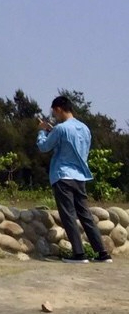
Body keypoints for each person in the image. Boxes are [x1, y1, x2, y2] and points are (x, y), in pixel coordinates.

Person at [37, 95, 111, 263]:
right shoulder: (85, 129)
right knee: (85, 215)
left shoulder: (61, 129)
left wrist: (42, 131)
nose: (54, 116)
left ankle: (79, 254)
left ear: (58, 109)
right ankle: (102, 253)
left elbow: (44, 147)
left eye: (54, 112)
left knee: (68, 215)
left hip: (63, 176)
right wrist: (52, 131)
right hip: (80, 177)